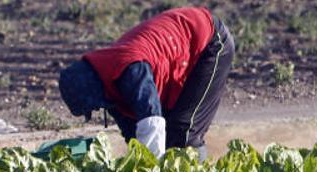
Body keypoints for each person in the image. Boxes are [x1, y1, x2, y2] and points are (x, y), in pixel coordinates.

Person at [58, 6, 234, 160]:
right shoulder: (107, 83)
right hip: (178, 46)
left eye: (94, 105)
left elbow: (152, 120)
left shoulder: (130, 70)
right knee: (167, 134)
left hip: (209, 42)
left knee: (182, 133)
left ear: (94, 90)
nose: (97, 109)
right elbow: (133, 132)